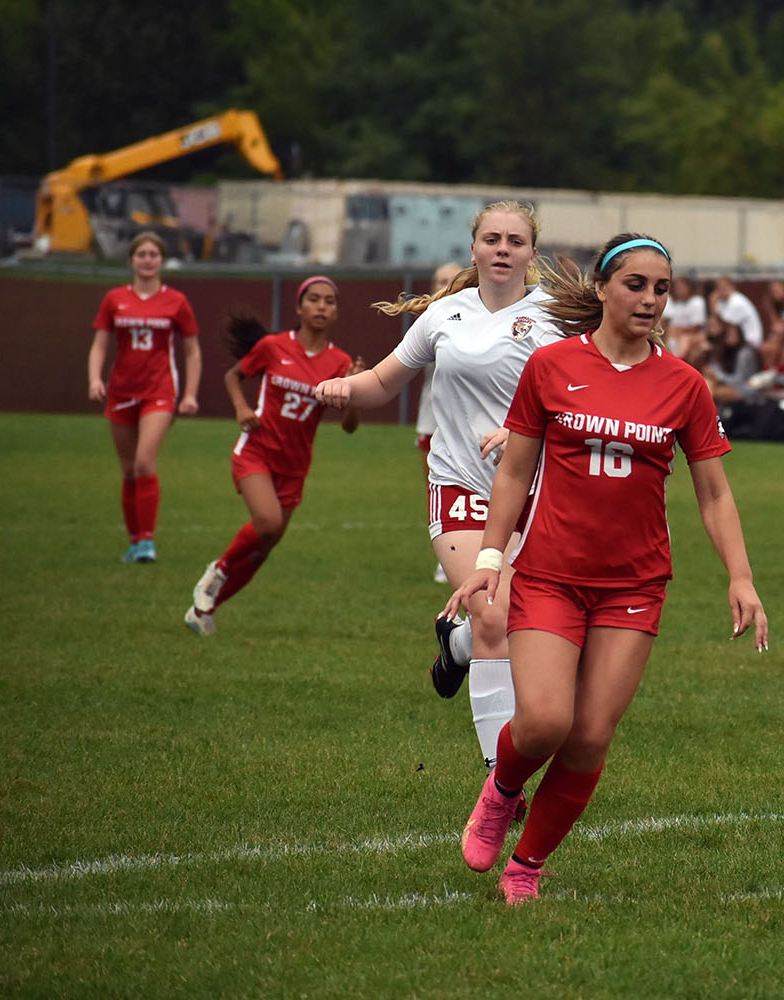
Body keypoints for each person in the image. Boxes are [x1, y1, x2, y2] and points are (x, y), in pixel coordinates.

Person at [449, 233, 767, 905]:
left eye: (661, 288)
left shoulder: (684, 384)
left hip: (633, 584)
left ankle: (526, 866)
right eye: (636, 285)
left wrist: (740, 576)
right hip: (550, 575)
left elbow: (714, 492)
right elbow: (514, 470)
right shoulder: (552, 366)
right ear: (602, 288)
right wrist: (487, 558)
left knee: (590, 736)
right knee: (543, 722)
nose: (650, 299)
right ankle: (502, 791)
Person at [312, 202, 562, 775]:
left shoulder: (555, 318)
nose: (503, 249)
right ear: (473, 249)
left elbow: (580, 391)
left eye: (516, 241)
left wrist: (523, 427)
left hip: (536, 491)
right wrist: (342, 388)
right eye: (492, 239)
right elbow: (381, 381)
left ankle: (459, 645)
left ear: (531, 254)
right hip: (459, 485)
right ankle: (503, 780)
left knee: (528, 628)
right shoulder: (443, 316)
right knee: (495, 614)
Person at [184, 276, 362, 635]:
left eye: (329, 301)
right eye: (314, 299)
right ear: (299, 307)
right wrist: (240, 409)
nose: (322, 306)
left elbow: (349, 426)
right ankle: (217, 571)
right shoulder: (272, 346)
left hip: (294, 466)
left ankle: (203, 611)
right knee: (266, 523)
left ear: (336, 311)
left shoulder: (340, 362)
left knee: (263, 549)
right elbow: (234, 376)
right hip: (256, 452)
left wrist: (354, 388)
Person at [86, 231, 201, 563]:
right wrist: (95, 378)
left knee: (144, 462)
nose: (148, 260)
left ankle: (148, 542)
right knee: (128, 470)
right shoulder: (114, 298)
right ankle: (135, 541)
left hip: (159, 391)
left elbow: (192, 351)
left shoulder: (176, 301)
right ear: (131, 260)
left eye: (153, 254)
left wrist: (190, 394)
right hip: (121, 390)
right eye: (142, 254)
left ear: (162, 261)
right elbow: (99, 344)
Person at [418, 262, 464, 583]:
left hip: (464, 420)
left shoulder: (470, 317)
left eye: (452, 279)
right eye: (440, 280)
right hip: (430, 415)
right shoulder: (430, 318)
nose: (445, 284)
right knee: (435, 484)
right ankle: (445, 554)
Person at [708, 276, 764, 350]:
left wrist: (712, 305)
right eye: (719, 288)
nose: (722, 291)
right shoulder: (722, 302)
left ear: (732, 287)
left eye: (725, 287)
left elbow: (723, 325)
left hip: (750, 340)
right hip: (737, 339)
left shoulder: (737, 301)